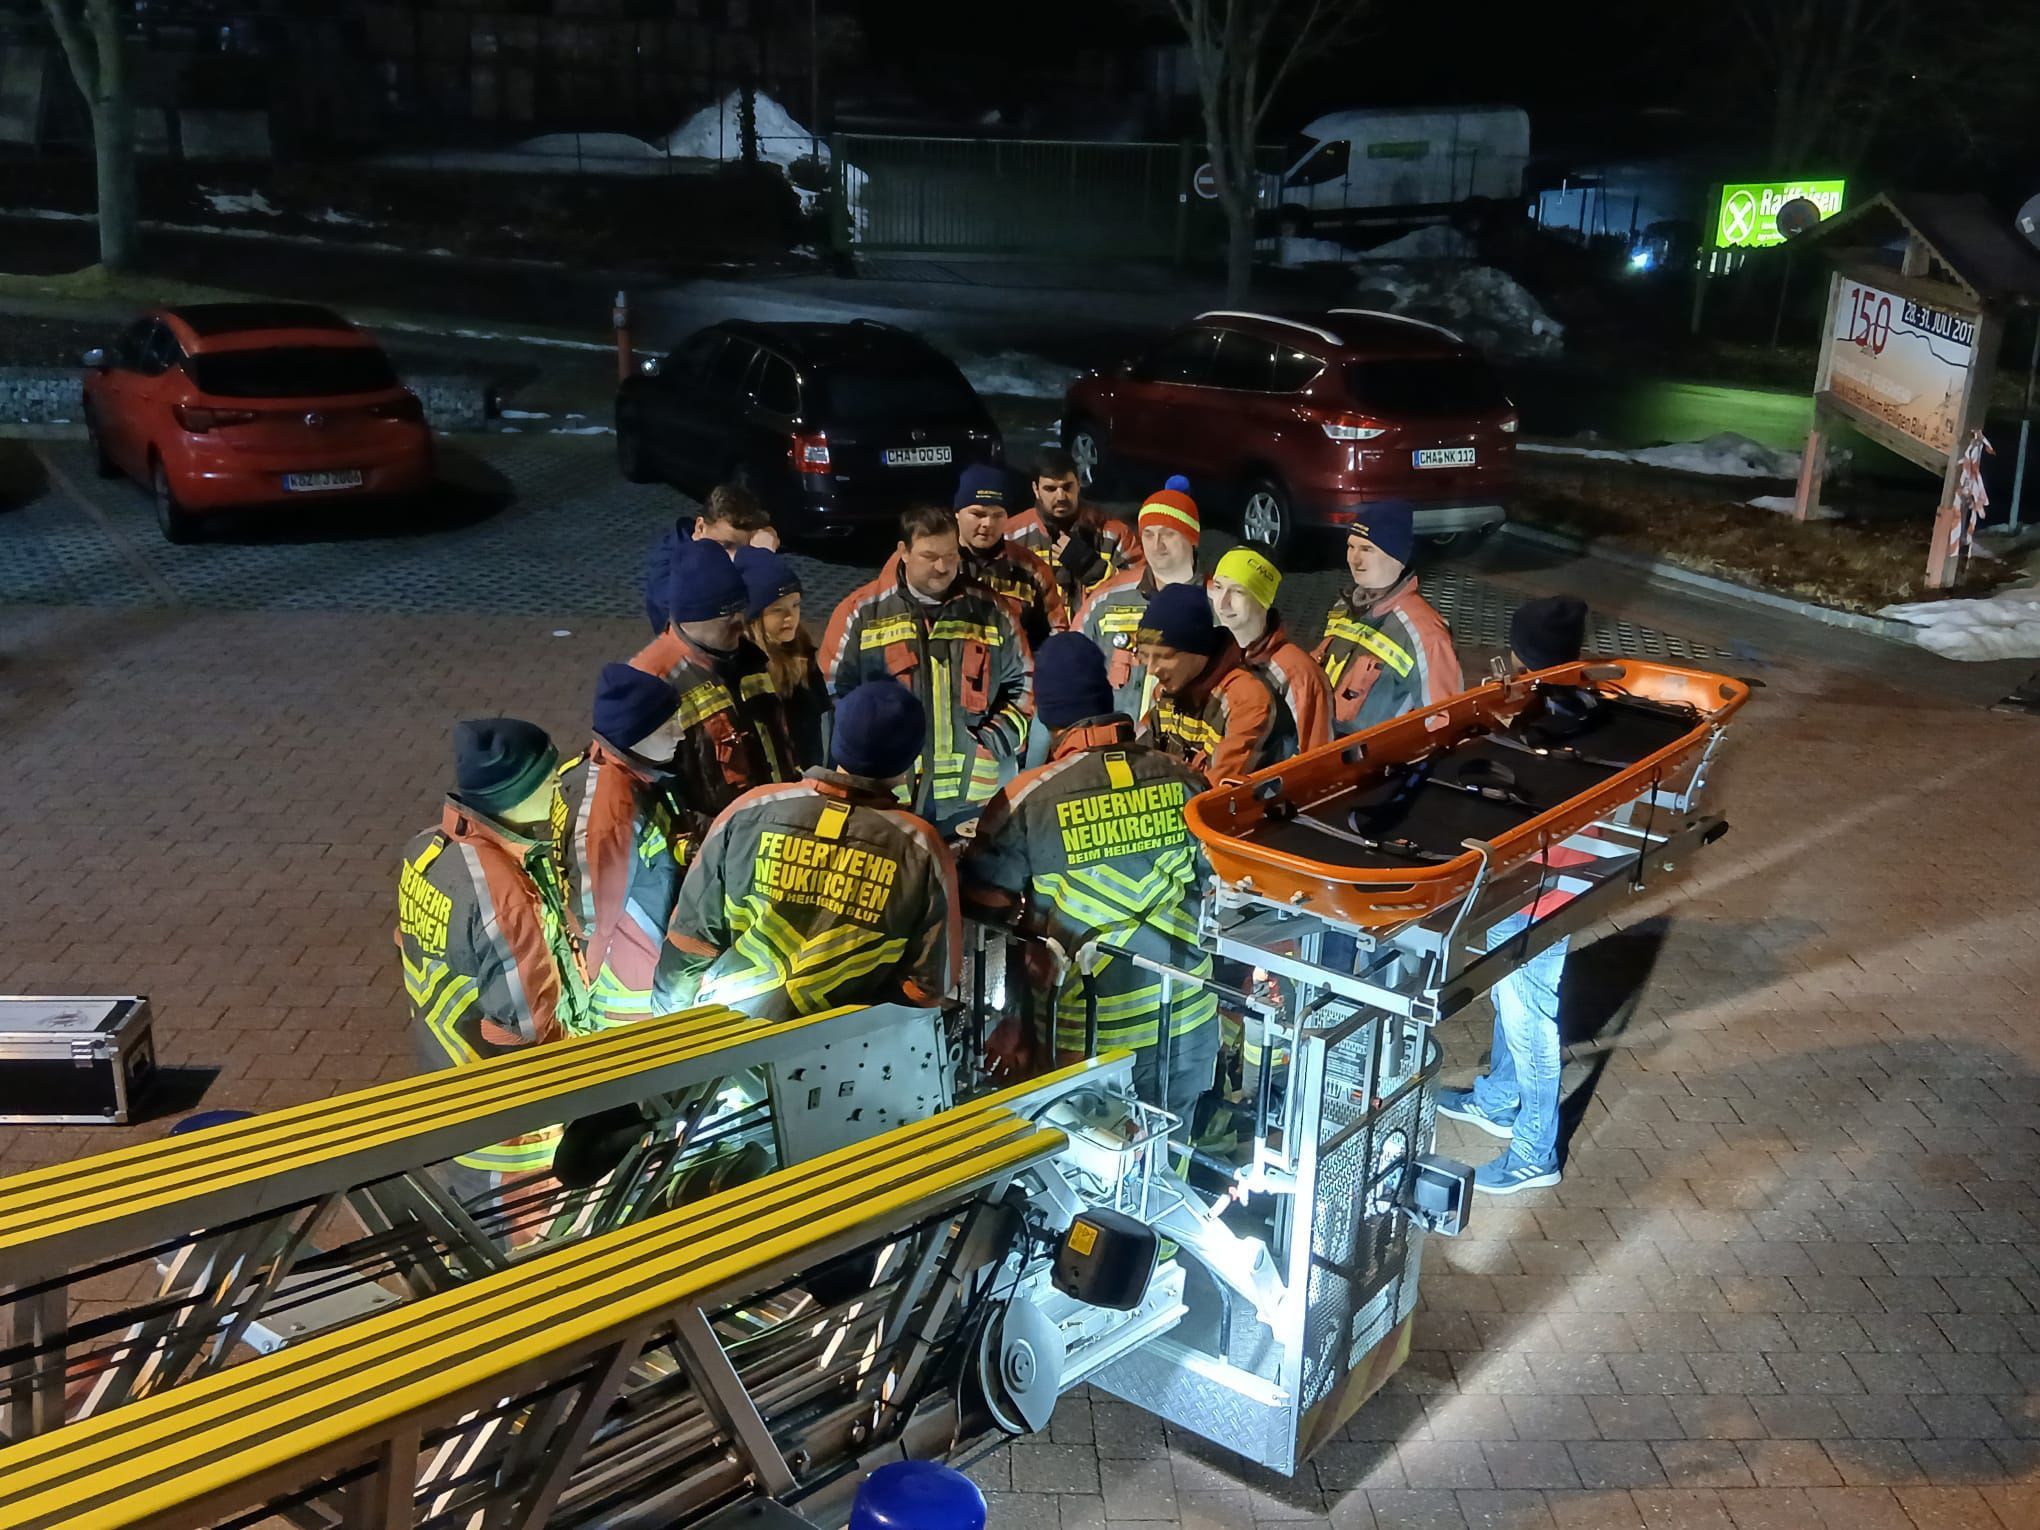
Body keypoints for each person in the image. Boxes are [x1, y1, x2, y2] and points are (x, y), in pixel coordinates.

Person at [961, 635, 1217, 1119]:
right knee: (1172, 1154)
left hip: (1086, 1040)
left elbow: (984, 917)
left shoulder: (1026, 799)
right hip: (1186, 1024)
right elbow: (1216, 886)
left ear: (1047, 714)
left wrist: (1008, 1020)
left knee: (1084, 1159)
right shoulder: (1186, 778)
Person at [653, 680, 960, 1020]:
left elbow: (688, 943)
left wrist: (671, 1031)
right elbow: (929, 988)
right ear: (910, 758)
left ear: (838, 739)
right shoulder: (922, 847)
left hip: (728, 1033)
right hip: (838, 1047)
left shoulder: (749, 809)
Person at [1436, 595, 1594, 1195]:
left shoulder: (1538, 720)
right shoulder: (1583, 699)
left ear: (1525, 657)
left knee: (1530, 1018)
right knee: (1513, 998)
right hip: (1556, 878)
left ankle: (1534, 1150)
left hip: (1537, 887)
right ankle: (1500, 1098)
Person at [397, 718, 593, 1185]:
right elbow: (524, 1034)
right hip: (518, 1143)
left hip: (452, 1095)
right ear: (516, 791)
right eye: (546, 778)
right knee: (530, 1234)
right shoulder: (507, 897)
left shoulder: (425, 850)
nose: (557, 786)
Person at [819, 505, 1033, 833]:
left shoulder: (991, 611)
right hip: (887, 795)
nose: (943, 567)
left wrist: (994, 742)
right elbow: (832, 693)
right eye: (929, 556)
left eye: (950, 555)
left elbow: (1026, 683)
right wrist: (868, 756)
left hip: (972, 797)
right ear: (903, 551)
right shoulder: (861, 613)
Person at [631, 540, 796, 852]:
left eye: (741, 609)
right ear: (692, 618)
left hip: (769, 833)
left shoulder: (749, 660)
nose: (740, 622)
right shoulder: (653, 682)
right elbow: (646, 790)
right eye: (727, 614)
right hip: (715, 848)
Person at [571, 664, 690, 1024]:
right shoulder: (616, 812)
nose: (680, 733)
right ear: (635, 733)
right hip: (627, 995)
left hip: (631, 971)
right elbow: (595, 922)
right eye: (668, 725)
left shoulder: (603, 770)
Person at [1314, 507, 1463, 734]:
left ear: (1396, 558)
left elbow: (1444, 722)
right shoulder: (1344, 606)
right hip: (1319, 745)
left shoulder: (1426, 633)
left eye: (1367, 549)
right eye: (1351, 546)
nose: (1355, 559)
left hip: (1369, 754)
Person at [1075, 477, 1203, 723]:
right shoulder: (1108, 598)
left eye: (1168, 534)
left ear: (1192, 539)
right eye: (1149, 534)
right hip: (1112, 742)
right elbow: (1072, 670)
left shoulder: (1218, 605)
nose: (1157, 545)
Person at [1136, 582, 1291, 785]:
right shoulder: (1165, 691)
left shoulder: (1246, 699)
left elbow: (1220, 791)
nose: (1151, 669)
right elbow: (1136, 756)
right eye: (1144, 655)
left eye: (1164, 656)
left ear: (1198, 651)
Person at [1209, 546, 1332, 753]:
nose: (1222, 603)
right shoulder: (1210, 655)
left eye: (1238, 591)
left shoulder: (1299, 674)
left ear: (1264, 599)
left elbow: (1316, 758)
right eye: (1218, 587)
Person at [1005, 447, 1141, 615]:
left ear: (1078, 484)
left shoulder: (1113, 533)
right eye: (1050, 489)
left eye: (1067, 487)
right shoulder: (1011, 536)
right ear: (1035, 489)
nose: (1061, 497)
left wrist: (1091, 567)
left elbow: (1140, 591)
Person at [736, 545, 832, 771]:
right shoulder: (745, 666)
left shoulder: (803, 653)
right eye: (777, 610)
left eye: (796, 605)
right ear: (754, 617)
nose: (791, 616)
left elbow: (822, 720)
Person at [639, 482, 780, 632]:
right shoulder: (667, 565)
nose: (734, 559)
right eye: (725, 546)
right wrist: (761, 560)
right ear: (700, 527)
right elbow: (686, 605)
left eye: (744, 549)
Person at [952, 463, 1066, 647]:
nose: (988, 523)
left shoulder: (1032, 569)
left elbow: (1057, 635)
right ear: (957, 513)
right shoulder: (934, 563)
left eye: (997, 515)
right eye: (978, 514)